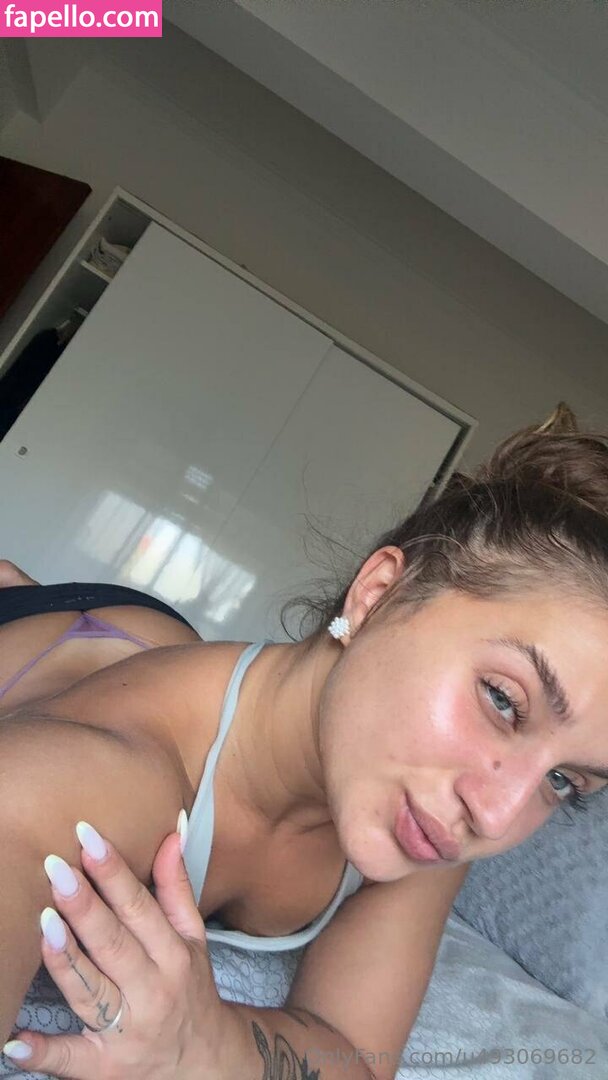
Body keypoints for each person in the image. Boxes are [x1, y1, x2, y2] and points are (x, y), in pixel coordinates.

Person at [3, 401, 608, 1080]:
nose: (497, 816)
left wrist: (213, 1042)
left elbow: (356, 1053)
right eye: (502, 699)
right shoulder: (95, 772)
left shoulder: (436, 812)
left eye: (565, 781)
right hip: (80, 646)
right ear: (378, 594)